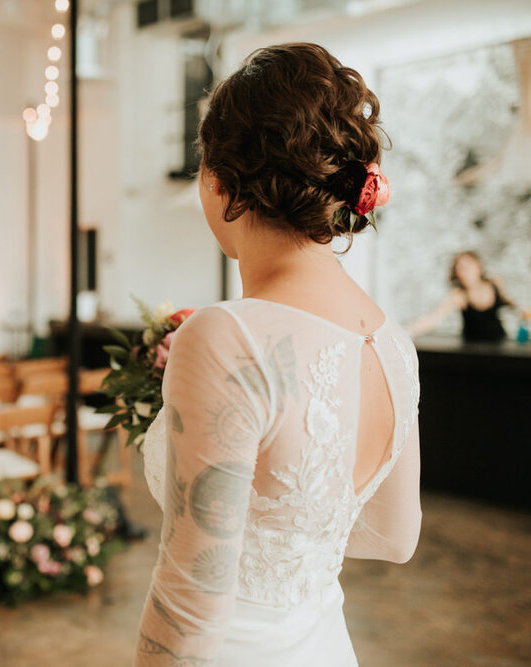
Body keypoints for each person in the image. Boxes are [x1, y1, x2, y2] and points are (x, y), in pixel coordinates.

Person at [135, 43, 422, 666]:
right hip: (324, 646)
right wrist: (297, 547)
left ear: (219, 182)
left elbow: (189, 603)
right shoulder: (394, 344)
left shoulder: (225, 338)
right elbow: (396, 538)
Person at [405, 251, 530, 342]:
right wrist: (404, 331)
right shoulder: (459, 296)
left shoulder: (495, 283)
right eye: (459, 267)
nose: (463, 270)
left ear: (478, 266)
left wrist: (523, 313)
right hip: (472, 349)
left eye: (467, 265)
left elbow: (511, 304)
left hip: (499, 343)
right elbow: (433, 319)